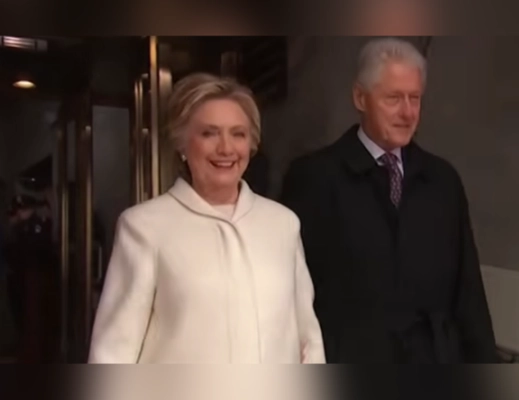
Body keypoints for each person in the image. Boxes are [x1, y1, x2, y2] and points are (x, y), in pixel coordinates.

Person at [280, 38, 497, 363]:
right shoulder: (315, 178)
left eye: (415, 98)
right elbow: (290, 292)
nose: (407, 112)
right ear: (360, 97)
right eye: (393, 98)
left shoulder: (442, 181)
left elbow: (469, 295)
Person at [88, 73, 325, 364]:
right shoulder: (144, 226)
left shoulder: (283, 224)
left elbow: (308, 340)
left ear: (251, 144)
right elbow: (113, 351)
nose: (226, 148)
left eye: (238, 134)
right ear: (182, 144)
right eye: (209, 133)